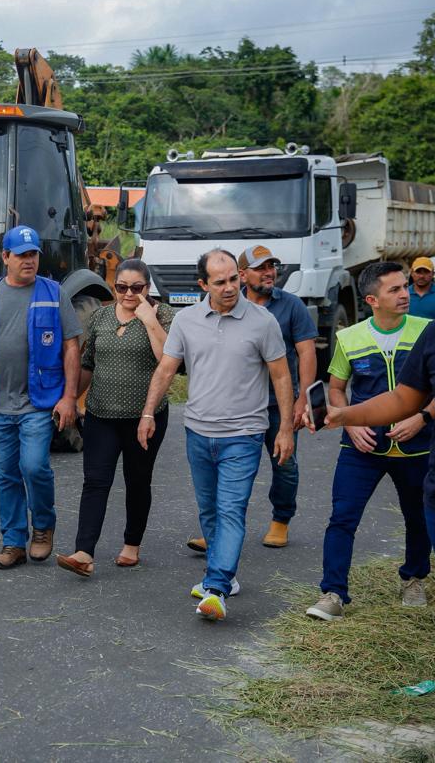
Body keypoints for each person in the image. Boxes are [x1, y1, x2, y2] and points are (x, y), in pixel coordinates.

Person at [137, 249, 293, 622]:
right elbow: (166, 370)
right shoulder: (187, 321)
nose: (229, 288)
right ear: (203, 284)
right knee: (209, 510)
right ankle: (228, 575)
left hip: (244, 433)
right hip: (198, 432)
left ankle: (217, 586)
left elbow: (281, 376)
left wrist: (285, 427)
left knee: (230, 509)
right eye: (219, 282)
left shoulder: (262, 321)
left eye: (233, 280)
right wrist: (147, 412)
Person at [300, 261, 434, 621]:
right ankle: (333, 593)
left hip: (417, 445)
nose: (405, 294)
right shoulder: (350, 338)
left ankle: (414, 578)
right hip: (361, 448)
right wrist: (351, 426)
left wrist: (421, 418)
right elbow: (338, 389)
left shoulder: (429, 332)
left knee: (418, 517)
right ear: (373, 299)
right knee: (342, 518)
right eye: (395, 289)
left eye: (405, 286)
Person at [0, 225, 82, 569]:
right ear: (5, 257)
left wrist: (69, 397)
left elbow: (70, 347)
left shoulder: (54, 294)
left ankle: (43, 528)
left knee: (34, 466)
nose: (29, 260)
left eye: (33, 254)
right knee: (6, 474)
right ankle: (12, 542)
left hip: (37, 402)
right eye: (21, 255)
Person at [186, 245, 316, 554]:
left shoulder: (291, 306)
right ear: (242, 275)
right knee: (225, 474)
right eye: (261, 267)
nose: (269, 272)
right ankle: (218, 532)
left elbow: (306, 352)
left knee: (283, 464)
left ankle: (281, 519)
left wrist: (303, 400)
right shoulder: (221, 305)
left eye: (272, 266)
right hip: (236, 408)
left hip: (276, 405)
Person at [56, 259, 174, 578]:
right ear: (115, 287)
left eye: (137, 288)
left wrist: (148, 319)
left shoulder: (162, 315)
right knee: (95, 481)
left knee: (137, 481)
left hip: (144, 419)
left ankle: (131, 545)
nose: (128, 294)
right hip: (100, 415)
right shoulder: (101, 316)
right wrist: (69, 399)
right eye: (122, 287)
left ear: (148, 288)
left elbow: (169, 361)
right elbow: (88, 363)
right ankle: (84, 552)